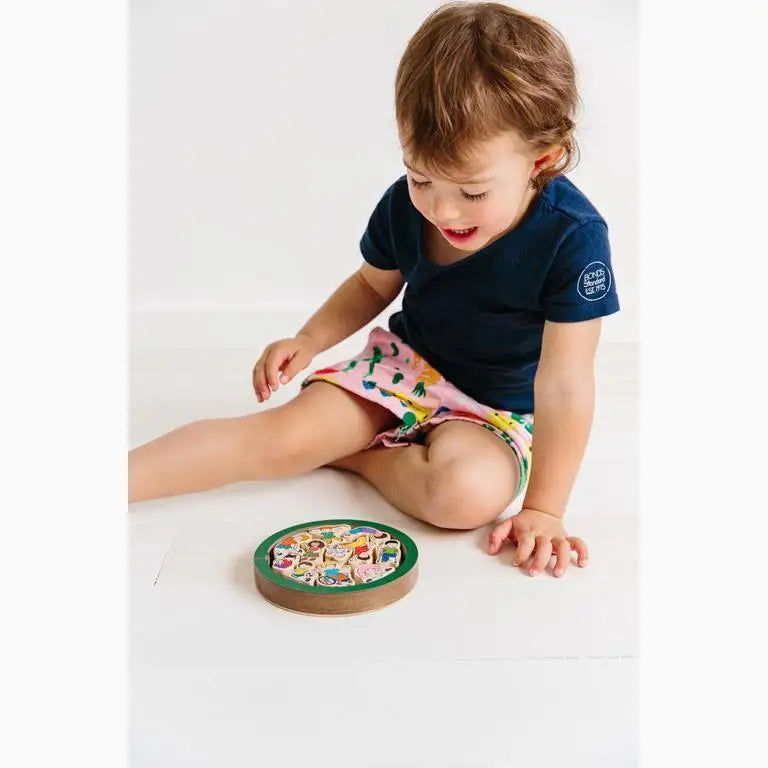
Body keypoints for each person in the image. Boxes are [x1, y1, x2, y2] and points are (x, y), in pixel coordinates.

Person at [129, 2, 620, 579]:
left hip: (496, 411)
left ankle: (359, 457)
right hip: (404, 369)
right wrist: (310, 339)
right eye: (421, 177)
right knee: (278, 438)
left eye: (472, 190)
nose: (440, 208)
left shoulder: (574, 240)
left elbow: (565, 384)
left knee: (464, 497)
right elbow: (370, 285)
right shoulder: (406, 207)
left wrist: (543, 509)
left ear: (544, 159)